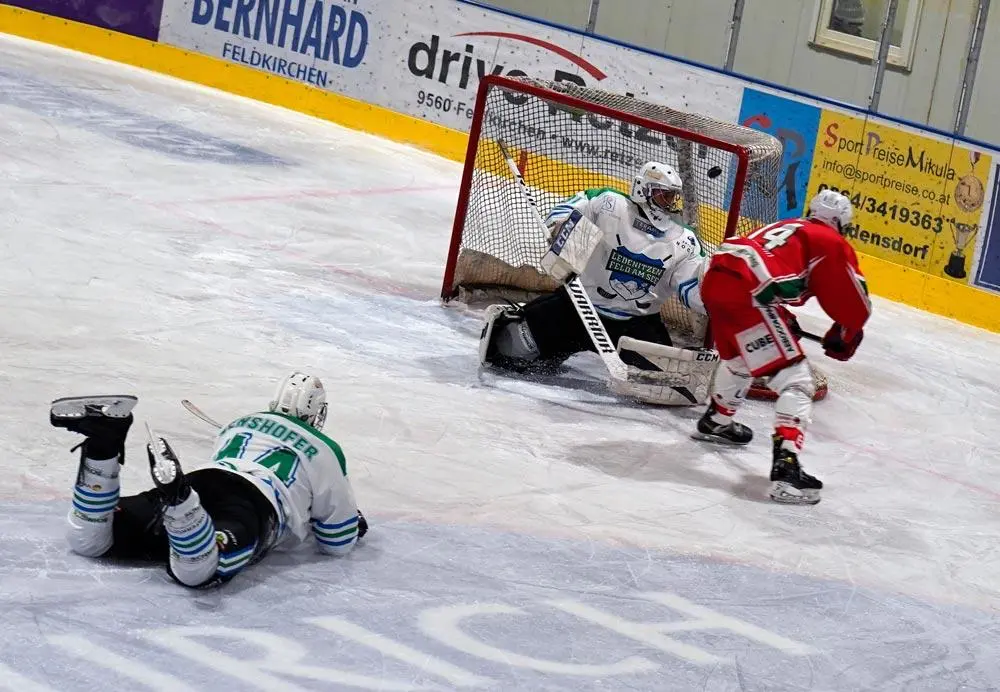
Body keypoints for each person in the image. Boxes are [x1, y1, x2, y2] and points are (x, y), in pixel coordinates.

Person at [50, 371, 366, 588]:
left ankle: (102, 447)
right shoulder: (325, 450)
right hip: (254, 504)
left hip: (205, 480)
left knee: (90, 541)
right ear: (317, 412)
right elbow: (337, 543)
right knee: (198, 571)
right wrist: (350, 523)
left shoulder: (239, 425)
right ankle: (180, 504)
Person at [479, 161, 714, 405]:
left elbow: (690, 291)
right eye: (662, 195)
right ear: (643, 190)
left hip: (636, 326)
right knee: (508, 350)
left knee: (663, 388)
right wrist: (560, 227)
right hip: (577, 308)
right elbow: (563, 212)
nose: (668, 203)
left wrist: (713, 297)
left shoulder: (684, 240)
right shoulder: (608, 203)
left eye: (671, 197)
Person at [692, 189, 871, 505]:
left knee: (741, 361)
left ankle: (717, 421)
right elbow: (852, 297)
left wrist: (781, 314)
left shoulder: (788, 226)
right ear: (842, 223)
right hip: (748, 292)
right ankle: (787, 468)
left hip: (716, 279)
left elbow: (767, 268)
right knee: (798, 382)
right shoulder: (830, 241)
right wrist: (847, 331)